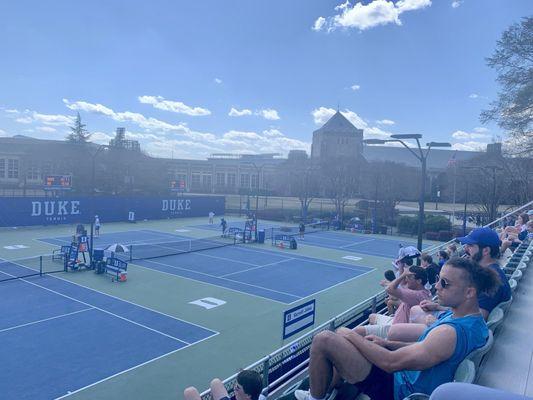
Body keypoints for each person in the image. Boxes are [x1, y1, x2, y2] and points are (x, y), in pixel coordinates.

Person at [294, 257, 499, 400]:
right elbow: (427, 348)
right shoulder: (471, 321)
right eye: (438, 279)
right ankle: (327, 391)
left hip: (396, 389)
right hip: (403, 378)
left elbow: (390, 363)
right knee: (351, 342)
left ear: (470, 292)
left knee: (325, 339)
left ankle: (315, 397)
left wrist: (348, 333)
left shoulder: (449, 333)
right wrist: (387, 343)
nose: (436, 286)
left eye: (444, 283)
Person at [354, 266, 430, 338]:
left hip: (397, 329)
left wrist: (403, 275)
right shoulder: (421, 292)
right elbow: (402, 284)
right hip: (396, 321)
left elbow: (390, 289)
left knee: (358, 331)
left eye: (409, 277)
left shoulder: (416, 295)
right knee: (372, 317)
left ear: (419, 281)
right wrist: (402, 267)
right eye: (406, 277)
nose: (406, 279)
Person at [184, 370, 263, 400]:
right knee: (216, 382)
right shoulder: (261, 397)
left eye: (238, 388)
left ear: (248, 395)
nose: (234, 388)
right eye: (235, 385)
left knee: (189, 392)